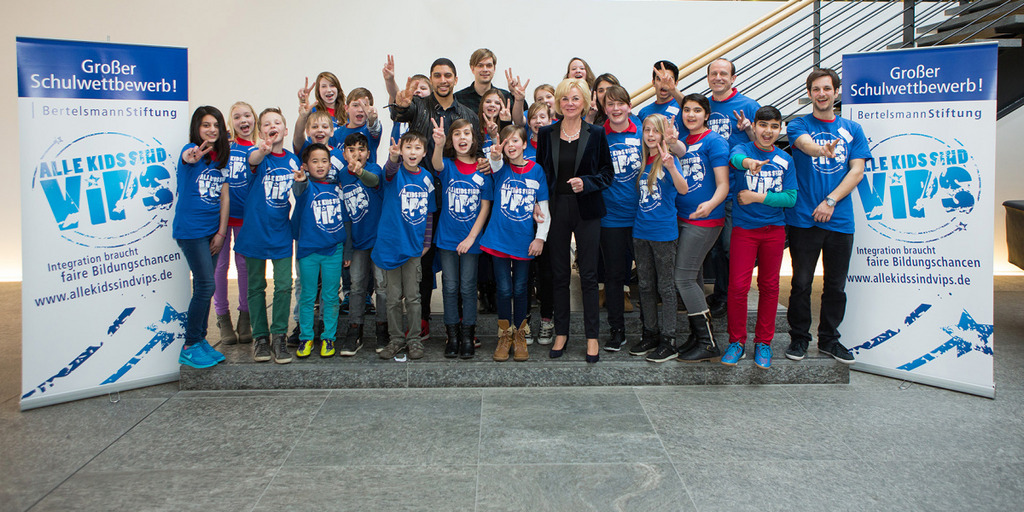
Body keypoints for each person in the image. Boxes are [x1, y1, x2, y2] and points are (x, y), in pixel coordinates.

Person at [785, 68, 870, 364]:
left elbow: (856, 171)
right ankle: (799, 339)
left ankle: (829, 340)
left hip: (840, 218)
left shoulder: (853, 129)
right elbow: (804, 145)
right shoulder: (798, 125)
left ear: (836, 92)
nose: (822, 94)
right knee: (801, 283)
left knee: (835, 285)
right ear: (809, 94)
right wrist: (821, 149)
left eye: (827, 88)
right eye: (816, 89)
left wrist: (831, 201)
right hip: (803, 219)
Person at [536, 78, 614, 363]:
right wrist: (537, 203)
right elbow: (540, 174)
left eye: (575, 98)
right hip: (556, 209)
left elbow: (607, 173)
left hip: (587, 209)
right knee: (559, 275)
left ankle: (592, 336)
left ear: (585, 102)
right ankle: (561, 332)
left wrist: (588, 183)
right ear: (558, 102)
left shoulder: (596, 133)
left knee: (590, 275)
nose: (570, 103)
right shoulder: (547, 133)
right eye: (564, 99)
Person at [721, 106, 796, 370]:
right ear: (755, 126)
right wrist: (750, 164)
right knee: (738, 287)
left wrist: (757, 197)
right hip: (744, 230)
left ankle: (764, 342)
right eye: (763, 125)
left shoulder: (785, 160)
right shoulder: (743, 148)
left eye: (774, 126)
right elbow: (735, 160)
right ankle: (736, 342)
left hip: (774, 231)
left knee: (770, 287)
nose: (768, 131)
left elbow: (791, 197)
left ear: (780, 129)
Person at [235, 107, 299, 364]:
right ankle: (260, 337)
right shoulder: (257, 155)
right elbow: (253, 159)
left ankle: (279, 336)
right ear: (261, 131)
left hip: (281, 233)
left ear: (285, 129)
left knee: (284, 285)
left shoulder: (293, 160)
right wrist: (262, 149)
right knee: (256, 286)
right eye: (267, 124)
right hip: (254, 234)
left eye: (277, 123)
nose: (272, 127)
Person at [482, 125, 550, 362]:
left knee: (521, 288)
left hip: (524, 242)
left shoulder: (537, 170)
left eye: (515, 141)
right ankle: (504, 335)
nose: (511, 146)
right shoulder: (500, 169)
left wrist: (540, 237)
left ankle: (520, 334)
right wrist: (495, 150)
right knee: (503, 288)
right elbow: (496, 160)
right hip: (499, 239)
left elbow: (544, 208)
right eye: (507, 142)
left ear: (524, 144)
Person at [671, 94, 730, 363]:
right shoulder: (684, 141)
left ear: (707, 114)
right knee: (692, 278)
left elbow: (723, 184)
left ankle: (708, 342)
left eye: (697, 110)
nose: (691, 115)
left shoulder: (715, 141)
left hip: (705, 220)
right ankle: (698, 337)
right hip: (682, 217)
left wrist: (711, 204)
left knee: (682, 278)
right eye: (687, 110)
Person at [629, 114, 690, 363]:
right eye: (646, 130)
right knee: (644, 285)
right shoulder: (644, 162)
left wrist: (672, 167)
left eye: (656, 131)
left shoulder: (668, 160)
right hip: (641, 232)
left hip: (664, 234)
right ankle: (650, 333)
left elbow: (684, 189)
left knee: (665, 286)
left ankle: (669, 339)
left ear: (664, 134)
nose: (651, 135)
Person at [430, 118, 493, 359]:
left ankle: (468, 335)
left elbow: (485, 207)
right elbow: (436, 163)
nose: (462, 138)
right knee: (450, 287)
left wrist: (471, 238)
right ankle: (452, 335)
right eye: (457, 134)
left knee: (468, 288)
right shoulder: (447, 165)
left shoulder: (482, 169)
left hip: (472, 240)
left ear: (474, 139)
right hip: (446, 238)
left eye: (467, 133)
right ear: (451, 140)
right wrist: (438, 143)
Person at [704, 58, 761, 319]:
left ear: (733, 78)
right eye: (713, 73)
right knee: (714, 248)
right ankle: (719, 294)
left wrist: (749, 130)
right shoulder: (705, 106)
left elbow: (764, 144)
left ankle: (728, 295)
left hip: (736, 192)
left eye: (723, 73)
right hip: (708, 190)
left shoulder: (748, 106)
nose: (718, 77)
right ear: (708, 78)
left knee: (729, 247)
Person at [174, 106, 231, 369]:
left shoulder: (221, 159)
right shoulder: (191, 155)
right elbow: (188, 157)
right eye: (206, 125)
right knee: (206, 285)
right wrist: (191, 155)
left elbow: (224, 197)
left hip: (212, 232)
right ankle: (189, 344)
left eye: (216, 125)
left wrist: (221, 232)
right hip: (191, 231)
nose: (211, 130)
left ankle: (200, 340)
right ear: (197, 128)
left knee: (205, 287)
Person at [373, 131, 437, 360]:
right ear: (402, 151)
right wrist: (392, 158)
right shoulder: (393, 173)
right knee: (392, 297)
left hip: (413, 248)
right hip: (391, 246)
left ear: (424, 152)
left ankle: (414, 339)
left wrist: (426, 242)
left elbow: (430, 213)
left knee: (413, 297)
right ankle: (396, 339)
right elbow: (388, 171)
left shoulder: (427, 178)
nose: (412, 152)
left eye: (417, 148)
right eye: (408, 147)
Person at [291, 143, 348, 359]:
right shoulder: (305, 187)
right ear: (305, 165)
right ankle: (306, 337)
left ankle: (328, 337)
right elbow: (300, 189)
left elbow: (345, 220)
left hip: (334, 250)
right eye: (315, 161)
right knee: (307, 295)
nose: (320, 165)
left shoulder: (337, 188)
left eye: (324, 160)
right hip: (308, 251)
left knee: (331, 296)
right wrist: (302, 179)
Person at [598, 85, 642, 352]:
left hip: (642, 218)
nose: (615, 109)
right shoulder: (597, 135)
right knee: (614, 278)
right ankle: (617, 331)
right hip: (610, 219)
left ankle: (651, 331)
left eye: (620, 103)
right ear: (605, 109)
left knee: (646, 278)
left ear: (628, 105)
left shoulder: (641, 131)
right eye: (610, 104)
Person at [338, 133, 388, 355]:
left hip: (378, 240)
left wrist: (359, 171)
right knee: (356, 286)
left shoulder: (375, 168)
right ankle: (354, 330)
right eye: (351, 149)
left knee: (382, 287)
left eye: (361, 149)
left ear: (368, 153)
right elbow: (344, 216)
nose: (356, 153)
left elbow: (374, 182)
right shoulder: (341, 176)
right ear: (344, 152)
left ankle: (383, 329)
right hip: (357, 244)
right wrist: (347, 247)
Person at [214, 101, 257, 346]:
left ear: (254, 119)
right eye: (237, 116)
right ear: (231, 122)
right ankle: (222, 317)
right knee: (220, 267)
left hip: (246, 219)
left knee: (244, 267)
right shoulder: (226, 149)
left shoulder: (258, 149)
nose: (243, 120)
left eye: (247, 115)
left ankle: (245, 315)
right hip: (221, 218)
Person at [382, 54, 430, 142]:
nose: (418, 91)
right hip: (397, 155)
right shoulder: (401, 107)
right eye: (414, 88)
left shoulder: (431, 114)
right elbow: (394, 94)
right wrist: (390, 80)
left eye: (423, 88)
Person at [454, 48, 513, 114]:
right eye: (480, 65)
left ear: (494, 69)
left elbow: (521, 119)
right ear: (472, 69)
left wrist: (517, 96)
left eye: (489, 66)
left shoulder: (505, 96)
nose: (485, 69)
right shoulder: (459, 99)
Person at [638, 60, 685, 134]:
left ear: (676, 83)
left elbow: (691, 107)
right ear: (653, 82)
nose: (664, 84)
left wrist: (673, 90)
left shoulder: (681, 104)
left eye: (668, 80)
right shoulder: (644, 112)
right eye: (659, 79)